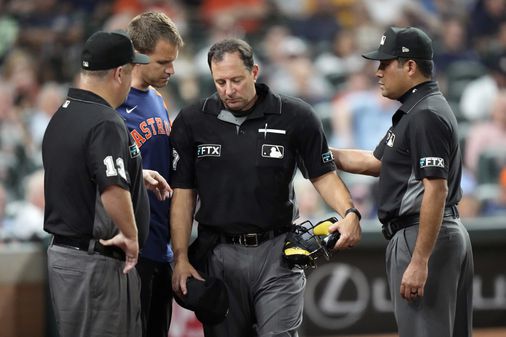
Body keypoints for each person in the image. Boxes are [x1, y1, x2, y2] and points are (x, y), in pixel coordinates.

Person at [170, 38, 362, 337]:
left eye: (236, 79)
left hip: (277, 252)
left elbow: (322, 174)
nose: (228, 90)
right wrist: (180, 258)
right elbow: (183, 194)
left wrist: (349, 211)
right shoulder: (192, 120)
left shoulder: (296, 115)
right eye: (220, 81)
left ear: (255, 72)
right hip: (219, 254)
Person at [330, 27, 474, 337]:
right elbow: (376, 163)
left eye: (385, 63)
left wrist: (420, 259)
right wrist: (321, 154)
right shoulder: (418, 109)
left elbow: (436, 188)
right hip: (435, 234)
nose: (378, 71)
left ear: (409, 66)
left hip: (423, 235)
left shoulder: (425, 114)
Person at [42, 30, 170, 337]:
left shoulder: (63, 113)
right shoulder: (105, 120)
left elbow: (86, 174)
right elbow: (112, 188)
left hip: (68, 255)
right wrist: (131, 237)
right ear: (119, 73)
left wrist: (138, 175)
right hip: (94, 263)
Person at [117, 11, 183, 337]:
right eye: (163, 62)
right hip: (131, 252)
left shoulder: (157, 98)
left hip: (162, 246)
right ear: (138, 57)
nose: (171, 69)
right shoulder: (111, 106)